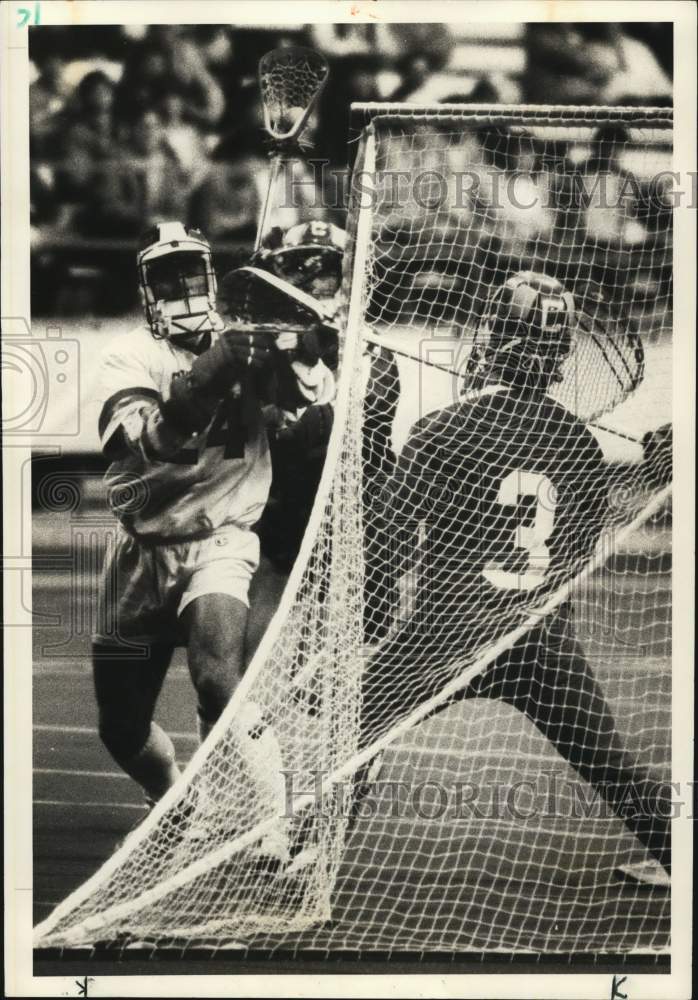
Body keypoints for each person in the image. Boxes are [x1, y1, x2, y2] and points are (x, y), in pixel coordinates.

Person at [356, 271, 672, 887]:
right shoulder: (581, 444)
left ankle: (307, 852)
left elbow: (388, 539)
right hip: (539, 640)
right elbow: (577, 556)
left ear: (494, 338)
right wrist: (655, 464)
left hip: (444, 632)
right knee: (610, 766)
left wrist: (372, 628)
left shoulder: (441, 428)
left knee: (352, 733)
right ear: (559, 355)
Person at [92, 221, 333, 868]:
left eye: (190, 276)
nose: (180, 290)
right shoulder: (126, 356)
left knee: (218, 675)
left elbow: (306, 413)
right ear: (146, 291)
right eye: (165, 280)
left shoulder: (247, 342)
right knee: (118, 724)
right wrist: (219, 365)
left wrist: (301, 348)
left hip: (223, 537)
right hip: (144, 548)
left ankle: (275, 827)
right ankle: (171, 798)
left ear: (210, 278)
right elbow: (151, 443)